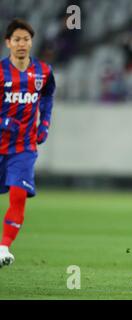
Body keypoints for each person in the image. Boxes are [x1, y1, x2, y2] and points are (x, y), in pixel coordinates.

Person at [0, 19, 55, 267]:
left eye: (26, 39)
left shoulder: (43, 71)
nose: (22, 44)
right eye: (17, 39)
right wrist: (4, 122)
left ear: (31, 42)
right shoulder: (1, 72)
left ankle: (3, 247)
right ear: (8, 43)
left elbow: (48, 97)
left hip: (23, 148)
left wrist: (44, 124)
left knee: (18, 195)